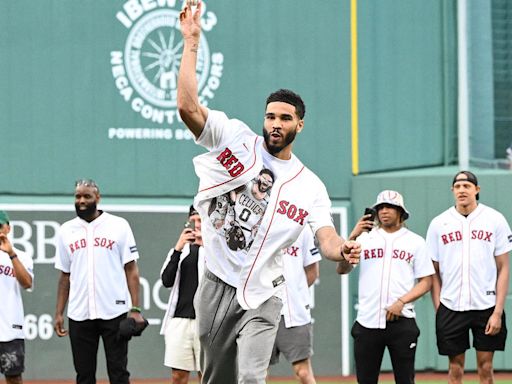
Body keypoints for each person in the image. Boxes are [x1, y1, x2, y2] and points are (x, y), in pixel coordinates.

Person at [176, 3, 361, 383]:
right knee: (216, 378)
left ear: (300, 125)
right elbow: (187, 106)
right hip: (215, 281)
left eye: (285, 118)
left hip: (264, 292)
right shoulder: (236, 139)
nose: (275, 124)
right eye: (271, 116)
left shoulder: (310, 186)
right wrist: (191, 42)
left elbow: (325, 237)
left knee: (251, 378)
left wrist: (341, 249)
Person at [337, 190, 434, 384]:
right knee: (365, 380)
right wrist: (353, 236)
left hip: (401, 320)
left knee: (405, 380)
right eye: (380, 207)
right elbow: (342, 269)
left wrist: (401, 302)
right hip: (367, 321)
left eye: (390, 207)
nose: (384, 211)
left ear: (401, 212)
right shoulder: (365, 239)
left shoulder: (415, 241)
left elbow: (426, 281)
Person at [53, 179, 145, 384]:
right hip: (79, 312)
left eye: (87, 196)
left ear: (98, 198)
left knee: (118, 372)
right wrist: (59, 312)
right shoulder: (66, 230)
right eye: (78, 196)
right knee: (84, 375)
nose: (82, 200)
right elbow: (65, 276)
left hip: (114, 311)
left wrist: (136, 308)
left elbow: (132, 270)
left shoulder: (119, 225)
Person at [426, 171, 511, 384]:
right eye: (458, 186)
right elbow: (433, 271)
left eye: (467, 185)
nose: (462, 190)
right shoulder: (439, 223)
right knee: (455, 370)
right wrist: (439, 307)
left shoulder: (494, 219)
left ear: (477, 190)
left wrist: (497, 312)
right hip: (451, 305)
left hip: (486, 305)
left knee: (486, 368)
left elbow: (503, 268)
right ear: (453, 191)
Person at [269, 227, 320, 384]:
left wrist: (295, 294)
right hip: (261, 312)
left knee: (303, 373)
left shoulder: (301, 228)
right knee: (256, 374)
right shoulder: (255, 222)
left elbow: (312, 272)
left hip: (294, 313)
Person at [160, 205, 204, 384]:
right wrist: (178, 248)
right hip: (180, 320)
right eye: (194, 221)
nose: (197, 225)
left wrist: (207, 244)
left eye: (201, 220)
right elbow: (166, 280)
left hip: (207, 322)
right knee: (178, 376)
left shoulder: (217, 251)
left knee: (207, 375)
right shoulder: (181, 250)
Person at [0, 211, 34, 384]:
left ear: (8, 228)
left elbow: (27, 283)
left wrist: (11, 254)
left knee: (13, 378)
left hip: (9, 328)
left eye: (0, 226)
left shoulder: (21, 256)